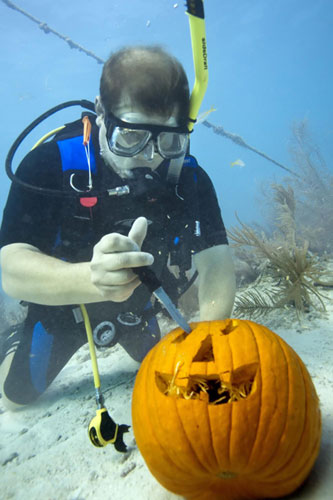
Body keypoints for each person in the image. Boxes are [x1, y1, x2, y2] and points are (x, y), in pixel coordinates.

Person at [0, 46, 236, 410]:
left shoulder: (188, 176)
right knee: (14, 397)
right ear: (101, 113)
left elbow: (217, 258)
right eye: (130, 137)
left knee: (158, 364)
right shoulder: (49, 166)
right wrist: (90, 280)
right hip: (61, 313)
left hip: (135, 312)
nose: (150, 157)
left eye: (168, 140)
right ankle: (16, 338)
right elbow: (11, 267)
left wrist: (210, 339)